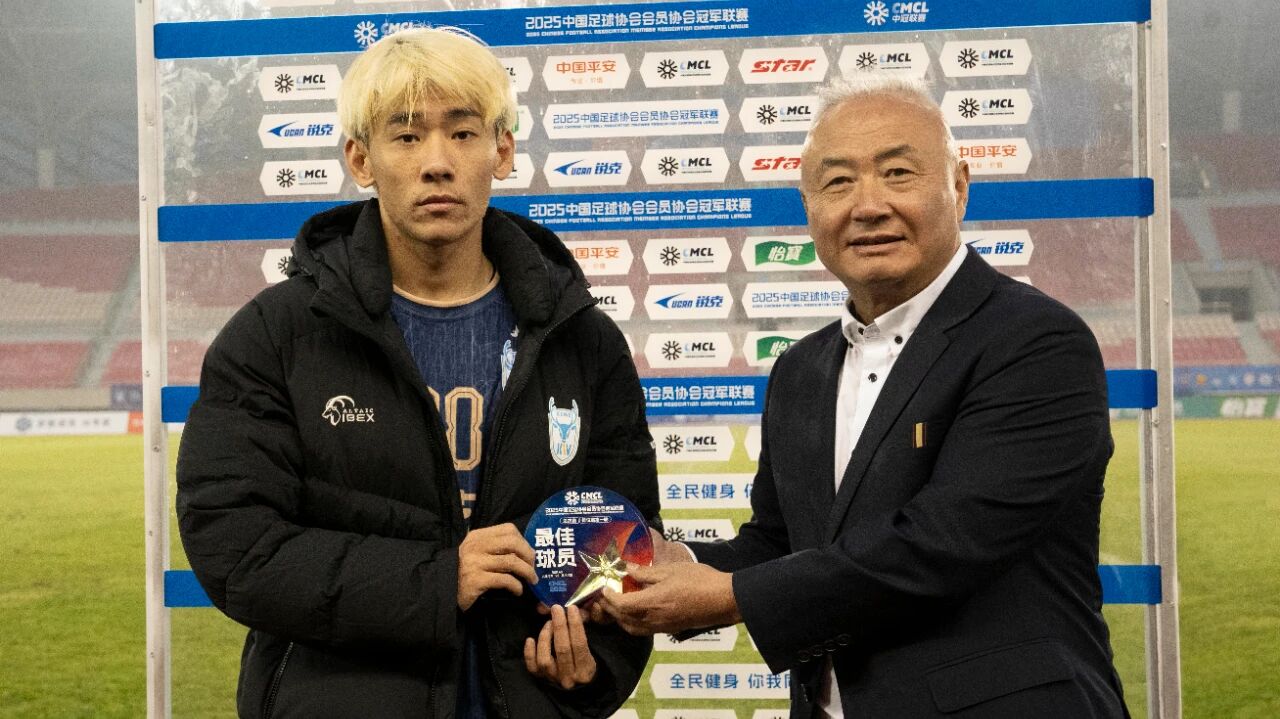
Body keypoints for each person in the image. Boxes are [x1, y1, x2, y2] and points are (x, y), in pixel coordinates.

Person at [601, 73, 1129, 718]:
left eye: (898, 173)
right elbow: (780, 545)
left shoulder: (1035, 341)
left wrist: (730, 596)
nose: (868, 205)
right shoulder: (800, 370)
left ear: (959, 186)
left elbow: (942, 543)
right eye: (838, 182)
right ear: (808, 207)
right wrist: (669, 565)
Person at [176, 28, 658, 719]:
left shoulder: (581, 339)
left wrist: (594, 661)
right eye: (406, 137)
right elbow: (235, 546)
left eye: (462, 133)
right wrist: (436, 581)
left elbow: (627, 541)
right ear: (360, 158)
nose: (437, 162)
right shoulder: (274, 337)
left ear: (502, 151)